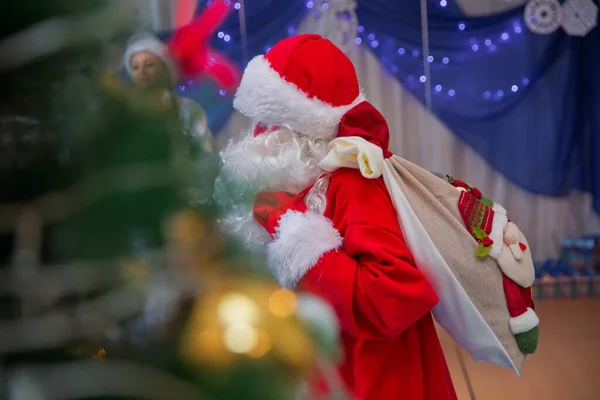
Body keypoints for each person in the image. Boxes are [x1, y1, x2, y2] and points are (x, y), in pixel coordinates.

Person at [219, 34, 457, 399]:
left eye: (268, 124)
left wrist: (291, 226)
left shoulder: (352, 184)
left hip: (365, 379)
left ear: (304, 132)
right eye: (255, 122)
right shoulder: (298, 183)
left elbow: (391, 298)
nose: (255, 139)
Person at [123, 34, 216, 153]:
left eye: (149, 65)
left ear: (165, 68)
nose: (142, 71)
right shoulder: (125, 110)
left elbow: (206, 152)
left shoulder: (188, 108)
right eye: (135, 67)